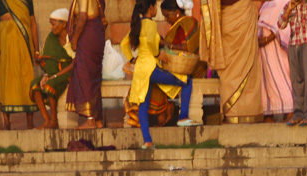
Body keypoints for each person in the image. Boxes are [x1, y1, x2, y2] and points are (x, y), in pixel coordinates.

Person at [125, 0, 201, 149]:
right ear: (151, 8)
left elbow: (123, 44)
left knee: (143, 105)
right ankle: (183, 116)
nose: (158, 13)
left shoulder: (137, 25)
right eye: (155, 8)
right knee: (186, 81)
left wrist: (131, 59)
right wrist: (158, 54)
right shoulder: (151, 24)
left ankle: (147, 141)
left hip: (140, 70)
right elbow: (151, 43)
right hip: (151, 68)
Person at [199, 0, 264, 123]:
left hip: (242, 17)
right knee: (229, 74)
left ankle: (248, 112)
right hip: (227, 21)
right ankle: (231, 114)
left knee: (247, 69)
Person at [0, 0, 40, 129]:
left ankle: (30, 121)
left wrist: (37, 50)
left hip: (25, 45)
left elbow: (33, 23)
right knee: (6, 80)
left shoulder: (26, 1)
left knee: (27, 80)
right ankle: (6, 122)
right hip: (6, 44)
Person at [66, 0, 108, 129]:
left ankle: (90, 120)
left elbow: (83, 17)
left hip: (88, 33)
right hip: (96, 32)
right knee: (94, 75)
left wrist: (74, 39)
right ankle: (98, 119)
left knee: (85, 75)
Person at [30, 9, 75, 129]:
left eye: (53, 24)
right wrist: (47, 75)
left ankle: (54, 121)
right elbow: (47, 59)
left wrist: (55, 76)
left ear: (64, 24)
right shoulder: (52, 37)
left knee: (50, 84)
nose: (51, 27)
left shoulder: (73, 37)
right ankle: (47, 120)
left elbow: (76, 63)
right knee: (35, 85)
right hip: (54, 72)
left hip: (71, 71)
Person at [277, 0, 307, 126]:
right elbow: (280, 24)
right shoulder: (288, 5)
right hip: (294, 44)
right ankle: (298, 113)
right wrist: (288, 11)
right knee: (296, 80)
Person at [258, 0, 294, 123]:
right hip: (263, 50)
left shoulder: (285, 2)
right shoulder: (265, 4)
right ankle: (268, 114)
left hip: (276, 47)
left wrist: (267, 39)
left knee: (282, 79)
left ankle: (289, 111)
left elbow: (283, 26)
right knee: (265, 82)